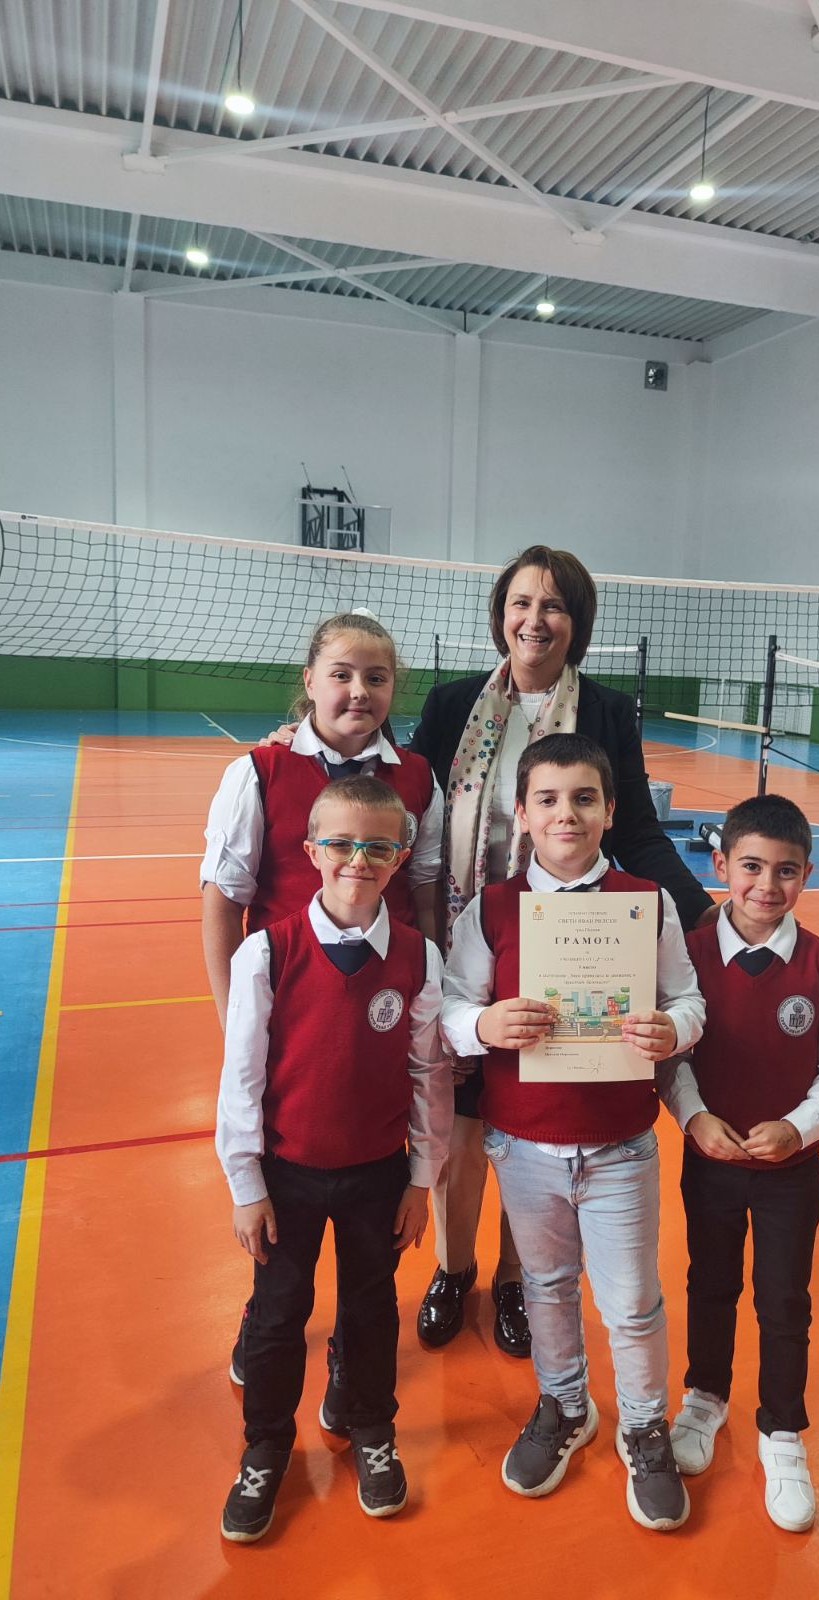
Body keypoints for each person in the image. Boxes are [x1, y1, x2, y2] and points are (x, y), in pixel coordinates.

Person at [410, 546, 716, 1357]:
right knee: (463, 1123)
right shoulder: (452, 705)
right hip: (472, 934)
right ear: (500, 614)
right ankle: (454, 1269)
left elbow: (638, 830)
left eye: (553, 605)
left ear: (576, 622)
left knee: (532, 1120)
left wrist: (702, 915)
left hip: (572, 942)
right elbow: (404, 800)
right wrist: (301, 744)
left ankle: (515, 1279)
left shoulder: (606, 711)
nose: (534, 619)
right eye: (521, 602)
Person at [441, 734, 706, 1531]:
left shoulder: (645, 903)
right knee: (547, 1288)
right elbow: (451, 1007)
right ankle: (564, 1404)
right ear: (521, 814)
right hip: (524, 1148)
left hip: (620, 1145)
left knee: (631, 1303)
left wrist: (673, 1029)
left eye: (585, 798)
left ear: (611, 810)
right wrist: (483, 1023)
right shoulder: (492, 909)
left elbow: (689, 999)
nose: (567, 814)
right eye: (549, 799)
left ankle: (645, 1426)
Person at [202, 611, 443, 1410]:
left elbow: (426, 897)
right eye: (341, 674)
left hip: (379, 1014)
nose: (358, 690)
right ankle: (266, 1316)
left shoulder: (418, 779)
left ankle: (351, 1351)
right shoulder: (261, 771)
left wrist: (434, 999)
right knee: (285, 1190)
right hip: (291, 1013)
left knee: (369, 1201)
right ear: (309, 681)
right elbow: (222, 901)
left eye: (376, 677)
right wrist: (235, 1019)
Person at [216, 776, 453, 1542]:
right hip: (286, 1177)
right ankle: (266, 1447)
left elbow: (428, 1074)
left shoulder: (418, 957)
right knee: (279, 1314)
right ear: (312, 850)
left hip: (377, 1175)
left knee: (371, 1309)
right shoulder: (267, 952)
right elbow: (242, 1078)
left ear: (401, 856)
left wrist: (422, 1178)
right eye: (342, 843)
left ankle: (371, 1425)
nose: (359, 859)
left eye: (378, 847)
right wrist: (246, 1184)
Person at [664, 794, 819, 1533]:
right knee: (710, 1282)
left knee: (783, 1299)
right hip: (711, 1161)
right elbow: (672, 1058)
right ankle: (705, 1397)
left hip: (790, 1171)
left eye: (786, 871)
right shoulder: (687, 954)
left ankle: (782, 1429)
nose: (766, 886)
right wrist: (695, 1118)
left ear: (807, 875)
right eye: (751, 867)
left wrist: (797, 1128)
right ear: (720, 864)